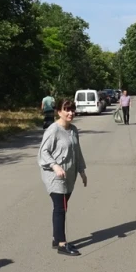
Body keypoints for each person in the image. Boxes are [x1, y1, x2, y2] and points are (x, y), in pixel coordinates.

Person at [38, 98, 87, 257]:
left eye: (72, 109)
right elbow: (43, 152)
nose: (71, 113)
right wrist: (55, 166)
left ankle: (56, 238)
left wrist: (82, 171)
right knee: (60, 209)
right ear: (59, 111)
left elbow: (77, 151)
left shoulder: (73, 129)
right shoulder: (53, 130)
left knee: (62, 207)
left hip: (69, 175)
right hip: (55, 176)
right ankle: (61, 243)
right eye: (67, 109)